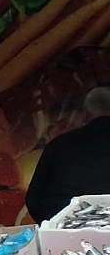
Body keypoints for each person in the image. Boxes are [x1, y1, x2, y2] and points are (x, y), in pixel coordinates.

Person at [26, 87, 110, 223]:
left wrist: (53, 225)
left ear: (85, 114)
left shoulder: (59, 145)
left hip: (67, 229)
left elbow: (34, 199)